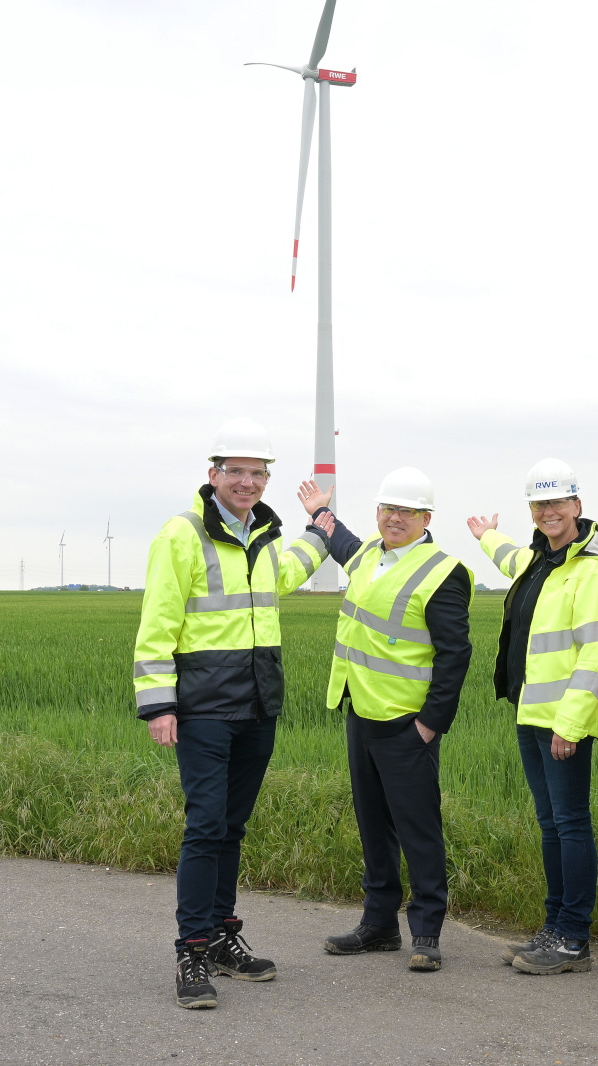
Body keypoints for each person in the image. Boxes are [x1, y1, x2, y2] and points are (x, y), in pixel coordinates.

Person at [132, 417, 332, 1010]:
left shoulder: (264, 536)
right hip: (202, 708)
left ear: (267, 480)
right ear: (213, 474)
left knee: (233, 827)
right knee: (205, 826)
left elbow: (289, 573)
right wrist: (158, 705)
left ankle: (222, 935)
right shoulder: (182, 534)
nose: (247, 482)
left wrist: (322, 523)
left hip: (257, 702)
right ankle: (192, 951)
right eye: (236, 472)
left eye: (257, 473)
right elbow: (158, 622)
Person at [304, 468, 473, 973]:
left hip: (406, 722)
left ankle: (426, 931)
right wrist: (318, 513)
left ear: (426, 518)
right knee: (373, 826)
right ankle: (378, 924)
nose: (394, 518)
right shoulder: (367, 555)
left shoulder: (443, 570)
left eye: (406, 511)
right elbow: (341, 540)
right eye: (387, 509)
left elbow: (455, 654)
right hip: (361, 710)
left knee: (417, 828)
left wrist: (430, 724)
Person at [467, 458, 598, 975]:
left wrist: (571, 724)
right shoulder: (542, 560)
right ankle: (553, 927)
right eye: (540, 504)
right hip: (530, 712)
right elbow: (511, 557)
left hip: (562, 721)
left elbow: (597, 653)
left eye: (557, 502)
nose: (549, 512)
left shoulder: (594, 569)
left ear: (577, 505)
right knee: (551, 825)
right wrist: (488, 536)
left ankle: (574, 937)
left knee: (571, 824)